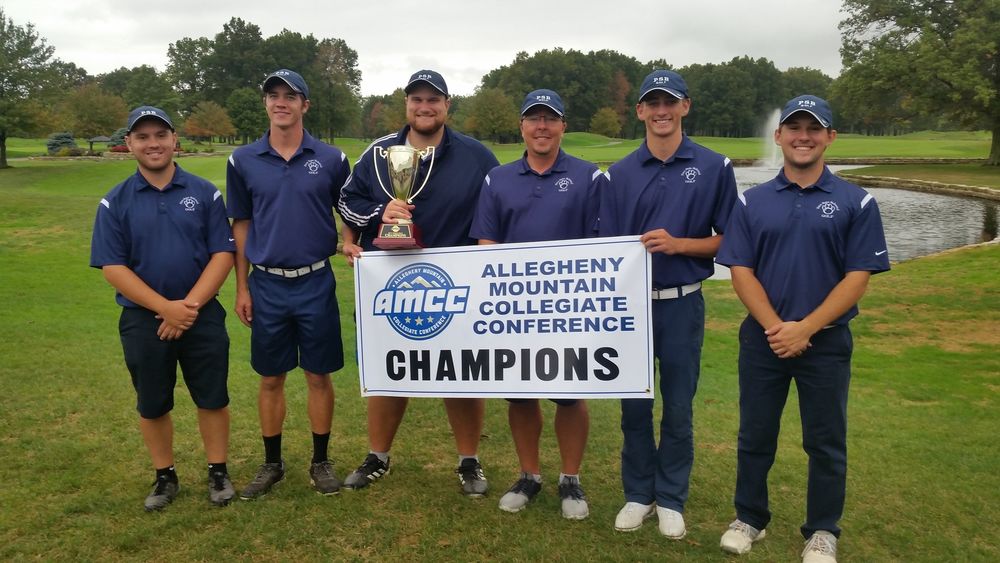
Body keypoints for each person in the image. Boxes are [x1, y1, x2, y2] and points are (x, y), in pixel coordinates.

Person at [716, 95, 890, 563]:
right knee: (755, 435)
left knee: (825, 441)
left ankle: (822, 531)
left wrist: (806, 328)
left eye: (814, 129)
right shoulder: (752, 199)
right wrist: (777, 327)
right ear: (779, 136)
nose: (803, 136)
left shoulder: (857, 201)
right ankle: (749, 518)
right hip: (763, 339)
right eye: (793, 128)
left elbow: (857, 276)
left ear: (830, 137)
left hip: (827, 341)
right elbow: (740, 269)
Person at [337, 69, 500, 496]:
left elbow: (499, 207)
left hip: (458, 284)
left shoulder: (476, 155)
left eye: (434, 99)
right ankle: (378, 456)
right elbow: (346, 200)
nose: (425, 107)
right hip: (391, 284)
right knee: (389, 370)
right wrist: (379, 215)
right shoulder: (378, 153)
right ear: (406, 105)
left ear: (447, 105)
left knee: (462, 375)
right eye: (417, 99)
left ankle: (469, 461)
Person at [599, 69, 738, 537]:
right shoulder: (618, 173)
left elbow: (732, 241)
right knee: (634, 404)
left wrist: (681, 245)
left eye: (669, 102)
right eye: (651, 103)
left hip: (682, 303)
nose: (661, 111)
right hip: (630, 308)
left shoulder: (715, 166)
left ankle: (672, 496)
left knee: (679, 405)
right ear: (639, 111)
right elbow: (606, 248)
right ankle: (639, 493)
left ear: (685, 106)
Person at [90, 106, 236, 511]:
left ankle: (218, 470)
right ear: (130, 144)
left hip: (201, 313)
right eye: (142, 137)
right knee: (152, 402)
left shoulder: (205, 192)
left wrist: (186, 308)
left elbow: (222, 254)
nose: (152, 143)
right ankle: (164, 476)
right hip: (143, 318)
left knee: (212, 397)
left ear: (175, 141)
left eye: (160, 135)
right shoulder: (114, 201)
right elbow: (113, 268)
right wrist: (164, 309)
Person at [470, 89, 602, 519]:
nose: (541, 126)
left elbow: (602, 246)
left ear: (563, 125)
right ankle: (529, 475)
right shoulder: (498, 179)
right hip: (515, 311)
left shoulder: (589, 177)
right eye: (533, 119)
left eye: (550, 118)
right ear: (522, 127)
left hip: (571, 310)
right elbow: (487, 243)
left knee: (568, 396)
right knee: (520, 397)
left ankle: (571, 480)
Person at [226, 69, 351, 499]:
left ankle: (320, 461)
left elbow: (349, 212)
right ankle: (272, 463)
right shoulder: (242, 160)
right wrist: (242, 287)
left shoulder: (332, 158)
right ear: (266, 103)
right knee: (271, 378)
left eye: (290, 96)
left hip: (316, 281)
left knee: (319, 375)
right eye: (273, 95)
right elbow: (241, 224)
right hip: (267, 285)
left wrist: (349, 243)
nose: (281, 102)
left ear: (305, 105)